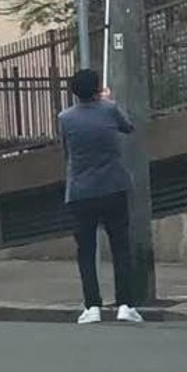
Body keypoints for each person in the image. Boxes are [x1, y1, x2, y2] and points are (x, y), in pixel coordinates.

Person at [58, 68, 143, 325]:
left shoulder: (65, 118)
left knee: (86, 251)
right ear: (97, 89)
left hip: (81, 191)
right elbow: (128, 127)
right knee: (120, 247)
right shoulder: (109, 109)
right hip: (113, 187)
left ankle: (92, 305)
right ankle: (125, 304)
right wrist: (107, 100)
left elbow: (66, 151)